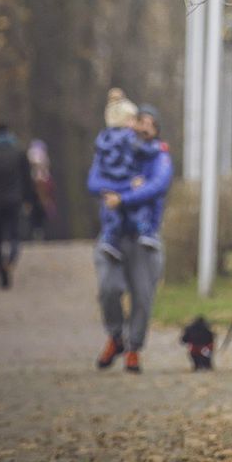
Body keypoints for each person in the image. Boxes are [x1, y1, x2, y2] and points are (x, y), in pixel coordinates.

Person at [88, 104, 173, 374]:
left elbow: (157, 186)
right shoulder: (112, 151)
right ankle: (115, 336)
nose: (144, 127)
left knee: (143, 296)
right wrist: (126, 188)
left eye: (150, 123)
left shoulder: (159, 156)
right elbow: (94, 182)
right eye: (140, 121)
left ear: (157, 130)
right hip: (112, 235)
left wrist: (122, 198)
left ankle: (133, 348)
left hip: (144, 238)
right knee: (108, 288)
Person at [90, 90, 161, 259]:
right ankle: (145, 231)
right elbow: (145, 149)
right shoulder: (129, 138)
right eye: (134, 120)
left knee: (111, 214)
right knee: (139, 212)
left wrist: (117, 194)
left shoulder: (103, 139)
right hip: (126, 178)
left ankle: (109, 239)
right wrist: (157, 147)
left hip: (111, 181)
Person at [0, 123, 37, 288]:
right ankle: (10, 260)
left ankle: (1, 273)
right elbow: (27, 179)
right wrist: (28, 199)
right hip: (14, 200)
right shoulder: (19, 153)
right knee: (14, 235)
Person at [27, 139, 57, 240]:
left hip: (36, 184)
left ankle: (38, 231)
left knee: (37, 209)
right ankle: (39, 231)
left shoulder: (31, 155)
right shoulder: (40, 156)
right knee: (40, 208)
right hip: (40, 184)